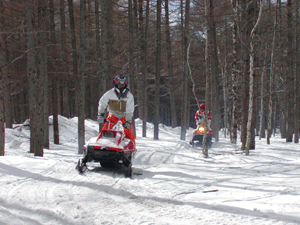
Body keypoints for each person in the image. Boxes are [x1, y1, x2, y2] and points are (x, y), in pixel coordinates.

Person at [97, 74, 135, 144]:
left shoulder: (129, 96)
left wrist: (128, 121)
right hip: (113, 115)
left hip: (124, 116)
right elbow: (102, 103)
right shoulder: (109, 94)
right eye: (119, 86)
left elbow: (130, 109)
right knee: (106, 130)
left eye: (123, 86)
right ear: (115, 85)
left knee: (128, 131)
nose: (121, 88)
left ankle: (131, 145)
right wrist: (101, 114)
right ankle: (102, 144)